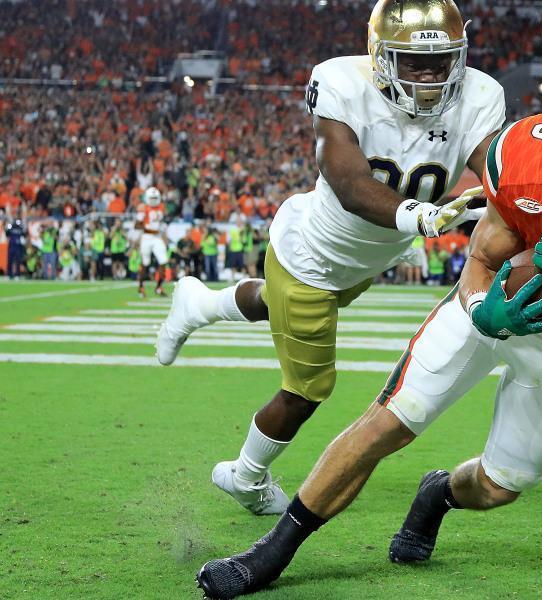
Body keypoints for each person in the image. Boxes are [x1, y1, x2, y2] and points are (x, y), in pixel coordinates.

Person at [196, 50, 542, 600]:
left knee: (499, 487)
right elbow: (480, 260)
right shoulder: (526, 155)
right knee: (389, 422)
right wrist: (480, 309)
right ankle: (272, 551)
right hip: (492, 305)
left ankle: (438, 494)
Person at [157, 0, 505, 516]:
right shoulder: (342, 83)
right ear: (381, 56)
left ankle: (201, 305)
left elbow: (497, 169)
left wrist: (510, 196)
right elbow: (348, 182)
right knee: (307, 390)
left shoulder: (480, 94)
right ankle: (246, 477)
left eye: (442, 60)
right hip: (314, 258)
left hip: (364, 258)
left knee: (280, 306)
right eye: (414, 61)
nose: (431, 75)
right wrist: (421, 217)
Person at [136, 187, 168, 297]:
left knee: (163, 261)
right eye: (152, 198)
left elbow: (161, 222)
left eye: (155, 198)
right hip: (147, 237)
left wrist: (162, 231)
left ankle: (159, 287)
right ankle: (140, 287)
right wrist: (150, 229)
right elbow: (137, 225)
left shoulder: (162, 207)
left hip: (157, 237)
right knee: (145, 263)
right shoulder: (143, 207)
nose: (154, 200)